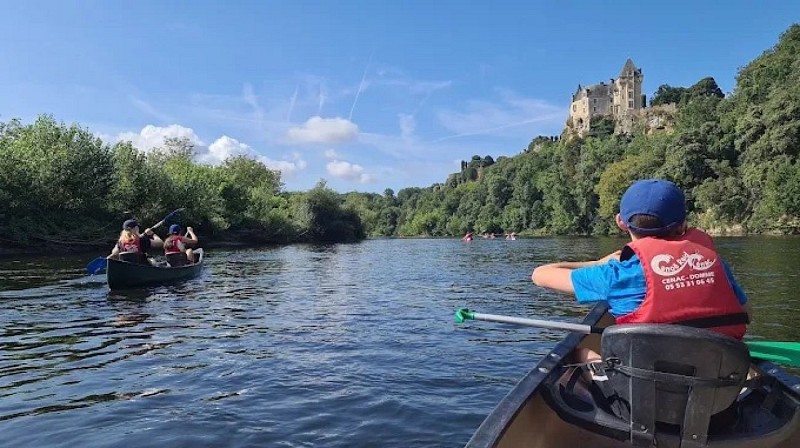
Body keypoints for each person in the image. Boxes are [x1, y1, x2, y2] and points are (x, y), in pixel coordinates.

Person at [531, 179, 751, 363]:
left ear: (621, 222)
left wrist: (598, 263)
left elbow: (540, 274)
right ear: (683, 224)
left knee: (577, 354)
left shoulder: (616, 275)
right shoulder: (714, 264)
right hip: (717, 398)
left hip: (640, 401)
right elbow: (746, 313)